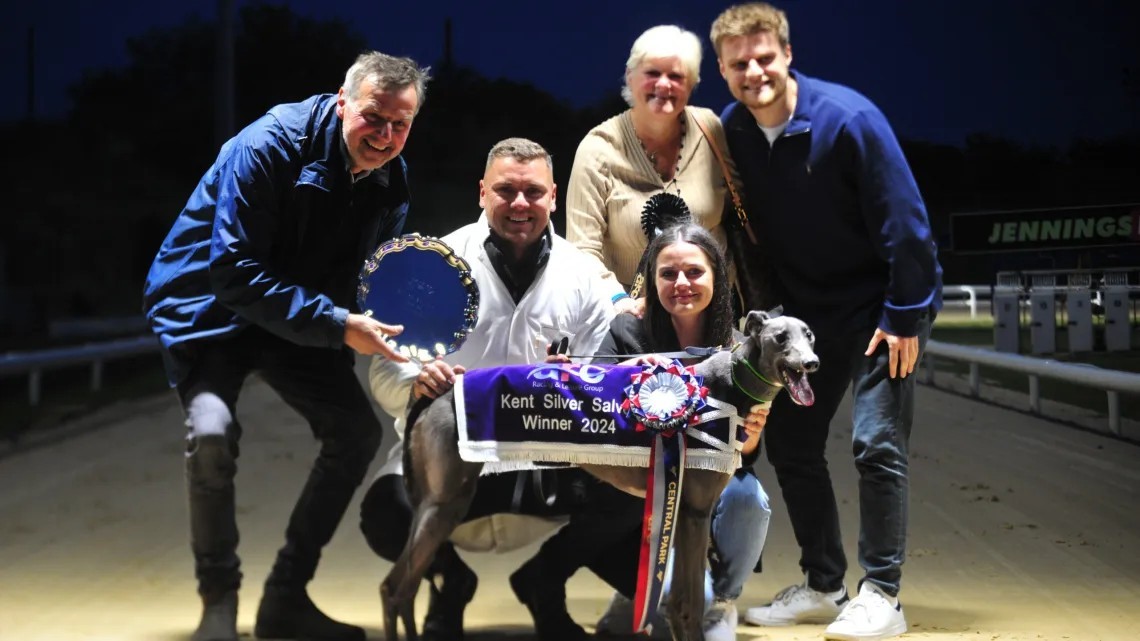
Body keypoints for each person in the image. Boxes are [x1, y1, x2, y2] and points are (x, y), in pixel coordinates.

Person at [142, 51, 431, 641]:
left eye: (400, 125)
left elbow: (371, 279)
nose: (385, 136)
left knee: (355, 434)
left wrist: (414, 338)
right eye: (374, 117)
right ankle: (218, 602)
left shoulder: (390, 178)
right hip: (212, 311)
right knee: (213, 436)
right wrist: (334, 323)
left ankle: (285, 599)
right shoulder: (269, 144)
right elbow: (233, 270)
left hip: (294, 313)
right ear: (343, 100)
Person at [710, 4, 944, 640]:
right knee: (791, 444)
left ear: (787, 53)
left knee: (874, 440)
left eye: (764, 58)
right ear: (723, 70)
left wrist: (904, 316)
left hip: (883, 306)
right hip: (810, 313)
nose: (753, 71)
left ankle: (883, 595)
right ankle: (822, 585)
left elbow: (909, 227)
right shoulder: (734, 127)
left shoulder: (849, 120)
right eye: (738, 64)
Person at [362, 137, 645, 641]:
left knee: (629, 494)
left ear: (554, 197)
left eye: (533, 192)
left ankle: (545, 580)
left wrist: (581, 379)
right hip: (450, 459)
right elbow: (383, 370)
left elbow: (611, 371)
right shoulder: (435, 264)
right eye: (505, 190)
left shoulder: (583, 275)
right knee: (384, 513)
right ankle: (449, 584)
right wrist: (414, 382)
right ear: (481, 193)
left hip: (543, 465)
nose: (520, 204)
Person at [591, 223, 772, 641]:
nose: (682, 284)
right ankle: (633, 585)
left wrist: (753, 429)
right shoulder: (624, 332)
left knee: (750, 498)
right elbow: (592, 410)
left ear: (717, 277)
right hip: (637, 490)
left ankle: (721, 601)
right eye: (668, 274)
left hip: (707, 482)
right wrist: (596, 377)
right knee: (665, 600)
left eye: (695, 272)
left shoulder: (741, 349)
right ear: (652, 281)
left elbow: (745, 449)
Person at [566, 24, 743, 318]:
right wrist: (619, 301)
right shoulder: (597, 149)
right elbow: (581, 248)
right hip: (627, 315)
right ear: (629, 77)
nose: (664, 85)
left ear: (691, 84)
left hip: (711, 313)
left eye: (676, 76)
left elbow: (743, 203)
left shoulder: (710, 128)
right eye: (652, 74)